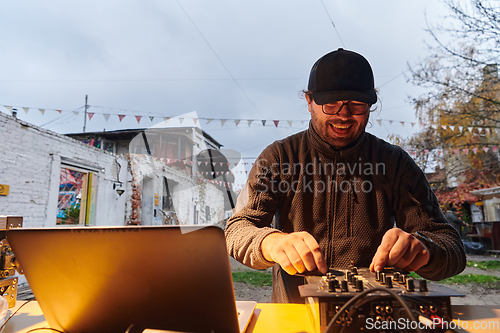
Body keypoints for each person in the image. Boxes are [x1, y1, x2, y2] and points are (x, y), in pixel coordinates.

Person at [225, 48, 466, 303]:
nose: (344, 114)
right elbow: (237, 230)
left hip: (376, 317)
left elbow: (452, 247)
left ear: (371, 104)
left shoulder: (396, 164)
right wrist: (270, 242)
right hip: (296, 314)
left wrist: (424, 249)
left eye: (357, 105)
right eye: (331, 104)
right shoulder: (278, 158)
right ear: (309, 102)